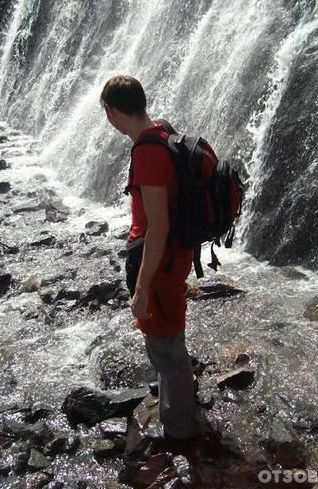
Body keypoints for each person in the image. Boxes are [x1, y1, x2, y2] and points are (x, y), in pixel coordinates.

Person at [99, 74, 201, 441]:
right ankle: (180, 405)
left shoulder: (148, 152)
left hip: (161, 261)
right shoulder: (163, 131)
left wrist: (141, 287)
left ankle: (180, 432)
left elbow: (157, 227)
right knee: (168, 337)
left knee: (165, 345)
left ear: (112, 111)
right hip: (173, 256)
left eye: (105, 111)